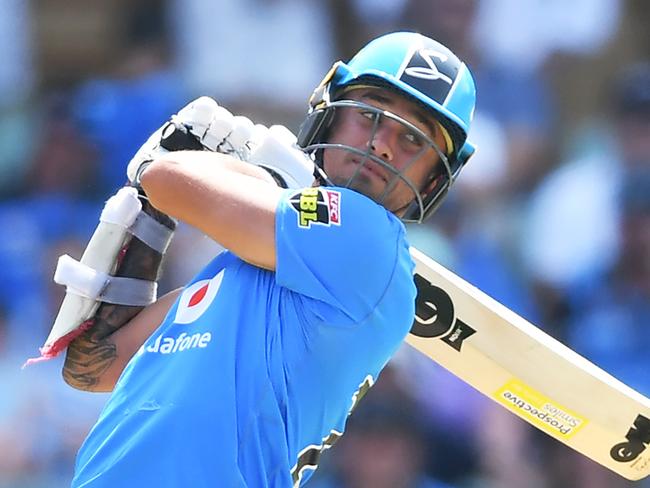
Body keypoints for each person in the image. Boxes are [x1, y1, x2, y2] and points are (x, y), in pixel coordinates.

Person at [55, 31, 476, 487]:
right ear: (330, 117)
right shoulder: (236, 272)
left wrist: (256, 165)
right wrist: (149, 227)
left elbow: (164, 176)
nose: (382, 145)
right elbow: (93, 366)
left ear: (433, 181)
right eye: (369, 115)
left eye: (412, 138)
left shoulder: (369, 239)